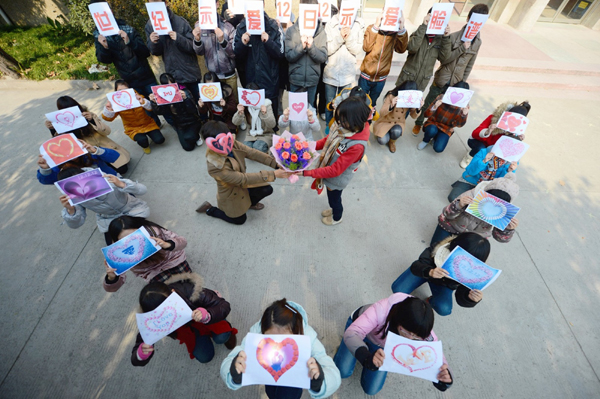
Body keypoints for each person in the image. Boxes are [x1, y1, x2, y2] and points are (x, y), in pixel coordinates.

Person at [333, 294, 453, 395]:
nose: (410, 338)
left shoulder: (422, 328)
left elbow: (436, 353)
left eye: (415, 336)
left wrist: (445, 376)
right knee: (342, 371)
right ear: (398, 319)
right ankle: (348, 351)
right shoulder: (381, 310)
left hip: (383, 346)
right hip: (362, 332)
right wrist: (366, 357)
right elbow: (353, 333)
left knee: (372, 390)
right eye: (406, 331)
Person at [220, 298, 341, 398]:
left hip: (293, 384)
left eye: (285, 339)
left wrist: (320, 381)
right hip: (269, 375)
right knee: (271, 392)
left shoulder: (307, 336)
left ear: (296, 332)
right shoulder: (256, 333)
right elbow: (236, 355)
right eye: (271, 339)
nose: (278, 346)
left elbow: (332, 371)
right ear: (263, 331)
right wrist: (233, 373)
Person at [195, 121, 291, 225]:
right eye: (222, 142)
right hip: (232, 193)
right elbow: (242, 179)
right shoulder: (214, 166)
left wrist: (276, 164)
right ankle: (210, 210)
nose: (227, 145)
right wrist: (274, 174)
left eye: (228, 140)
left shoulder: (231, 142)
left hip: (244, 185)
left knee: (266, 189)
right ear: (211, 143)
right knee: (240, 220)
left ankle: (250, 204)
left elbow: (252, 153)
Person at [413, 3, 488, 135]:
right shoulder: (452, 36)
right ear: (468, 19)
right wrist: (461, 48)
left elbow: (469, 64)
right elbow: (444, 59)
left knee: (446, 107)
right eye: (473, 20)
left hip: (456, 82)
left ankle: (433, 127)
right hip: (442, 78)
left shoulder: (478, 43)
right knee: (430, 101)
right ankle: (419, 122)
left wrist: (462, 83)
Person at [131, 273, 237, 366]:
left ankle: (228, 333)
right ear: (149, 314)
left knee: (222, 336)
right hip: (189, 332)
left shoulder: (190, 290)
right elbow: (140, 346)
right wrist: (140, 354)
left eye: (169, 306)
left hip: (207, 320)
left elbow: (224, 305)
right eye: (160, 315)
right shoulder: (149, 320)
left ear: (172, 292)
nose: (167, 313)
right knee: (205, 357)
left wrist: (207, 314)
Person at [298, 97, 370, 226]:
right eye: (339, 119)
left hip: (337, 179)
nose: (338, 123)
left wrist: (306, 173)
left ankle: (337, 217)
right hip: (328, 171)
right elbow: (327, 141)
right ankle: (333, 210)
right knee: (332, 198)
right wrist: (307, 146)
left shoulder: (356, 146)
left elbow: (335, 170)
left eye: (343, 120)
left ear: (354, 121)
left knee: (334, 199)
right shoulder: (344, 129)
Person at [391, 233, 489, 316]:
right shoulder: (441, 247)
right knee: (398, 289)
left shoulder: (473, 272)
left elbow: (460, 297)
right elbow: (416, 266)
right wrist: (430, 271)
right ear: (453, 245)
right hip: (426, 272)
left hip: (444, 285)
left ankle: (431, 301)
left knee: (444, 309)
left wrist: (470, 298)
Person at [57, 167, 149, 245]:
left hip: (131, 208)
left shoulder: (107, 180)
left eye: (82, 181)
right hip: (108, 218)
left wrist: (122, 184)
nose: (80, 186)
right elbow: (76, 224)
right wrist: (71, 211)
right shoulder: (76, 198)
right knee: (115, 245)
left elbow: (143, 190)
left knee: (145, 237)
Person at [44, 96, 130, 174]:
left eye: (72, 108)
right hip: (88, 155)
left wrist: (92, 120)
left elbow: (107, 131)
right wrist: (52, 129)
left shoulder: (87, 114)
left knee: (122, 169)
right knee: (104, 172)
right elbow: (61, 145)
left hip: (104, 147)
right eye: (66, 110)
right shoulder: (60, 123)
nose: (70, 113)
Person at [103, 216, 192, 291]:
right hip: (152, 273)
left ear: (140, 229)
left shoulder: (154, 231)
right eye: (125, 240)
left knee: (189, 283)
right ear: (117, 242)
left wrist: (168, 244)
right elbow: (112, 288)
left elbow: (183, 242)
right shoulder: (117, 252)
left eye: (134, 236)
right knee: (169, 293)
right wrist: (112, 278)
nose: (131, 241)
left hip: (173, 260)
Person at [91, 0, 157, 99]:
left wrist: (129, 41)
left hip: (146, 78)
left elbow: (145, 52)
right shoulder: (99, 35)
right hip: (129, 82)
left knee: (161, 106)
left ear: (111, 12)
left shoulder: (127, 29)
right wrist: (104, 47)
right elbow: (104, 60)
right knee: (143, 111)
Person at [431, 174, 520, 247]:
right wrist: (459, 205)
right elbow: (447, 214)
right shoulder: (471, 195)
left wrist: (507, 230)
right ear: (486, 192)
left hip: (473, 236)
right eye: (491, 198)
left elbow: (499, 238)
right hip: (451, 226)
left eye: (499, 202)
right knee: (435, 247)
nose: (493, 204)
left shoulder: (506, 212)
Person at [145, 0, 203, 101]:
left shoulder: (180, 21)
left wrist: (178, 38)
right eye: (151, 3)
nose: (154, 6)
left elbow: (193, 47)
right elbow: (155, 52)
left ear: (166, 3)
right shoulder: (150, 26)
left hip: (190, 73)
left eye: (157, 2)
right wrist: (153, 42)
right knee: (185, 106)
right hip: (174, 76)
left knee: (200, 103)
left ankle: (203, 117)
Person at [233, 1, 284, 117]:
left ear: (263, 5)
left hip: (270, 81)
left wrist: (268, 41)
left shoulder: (273, 26)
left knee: (271, 117)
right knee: (254, 117)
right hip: (251, 82)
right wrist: (243, 43)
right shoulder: (241, 27)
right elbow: (236, 55)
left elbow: (280, 53)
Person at [323, 1, 365, 128]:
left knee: (344, 104)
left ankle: (341, 127)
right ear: (340, 6)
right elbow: (327, 49)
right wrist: (340, 37)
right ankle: (328, 126)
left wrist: (349, 37)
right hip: (331, 72)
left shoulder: (359, 23)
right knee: (330, 103)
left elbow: (358, 50)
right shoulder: (331, 23)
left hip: (347, 74)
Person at [395, 9, 451, 97]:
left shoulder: (441, 40)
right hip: (406, 79)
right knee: (396, 105)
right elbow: (412, 48)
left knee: (410, 109)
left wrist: (446, 38)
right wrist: (424, 25)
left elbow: (445, 59)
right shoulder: (419, 32)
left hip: (421, 83)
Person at [358, 12, 408, 108]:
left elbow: (401, 49)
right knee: (360, 102)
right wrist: (376, 25)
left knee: (372, 103)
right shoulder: (372, 28)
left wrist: (401, 28)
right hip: (366, 76)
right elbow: (366, 47)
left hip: (381, 78)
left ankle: (368, 121)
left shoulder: (395, 33)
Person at [459, 101, 531, 168]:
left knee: (493, 158)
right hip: (478, 142)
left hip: (493, 149)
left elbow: (507, 150)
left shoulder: (516, 132)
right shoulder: (493, 118)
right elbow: (474, 134)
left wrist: (518, 140)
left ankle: (482, 160)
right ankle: (469, 156)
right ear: (507, 113)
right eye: (512, 119)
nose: (512, 122)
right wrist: (488, 131)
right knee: (481, 148)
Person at [285, 0, 328, 108]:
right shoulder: (291, 31)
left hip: (312, 81)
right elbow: (289, 56)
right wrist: (301, 46)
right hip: (295, 80)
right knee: (295, 114)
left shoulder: (321, 31)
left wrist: (311, 47)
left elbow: (323, 57)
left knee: (310, 114)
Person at [102, 80, 165, 154]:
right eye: (120, 90)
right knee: (142, 140)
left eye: (125, 89)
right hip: (132, 128)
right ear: (116, 91)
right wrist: (109, 109)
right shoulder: (115, 103)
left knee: (160, 140)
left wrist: (143, 102)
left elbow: (151, 109)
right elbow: (108, 118)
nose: (123, 92)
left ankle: (152, 135)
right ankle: (145, 146)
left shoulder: (137, 97)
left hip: (148, 124)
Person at [192, 2, 238, 99]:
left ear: (217, 4)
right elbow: (199, 52)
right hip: (213, 76)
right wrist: (197, 40)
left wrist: (222, 41)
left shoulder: (227, 26)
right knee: (217, 104)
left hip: (229, 75)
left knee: (233, 104)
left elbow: (234, 53)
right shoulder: (199, 26)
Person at [149, 73, 203, 151]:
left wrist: (186, 99)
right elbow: (160, 111)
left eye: (172, 83)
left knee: (189, 137)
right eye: (167, 84)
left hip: (192, 121)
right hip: (179, 124)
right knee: (188, 147)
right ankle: (191, 136)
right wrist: (154, 102)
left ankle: (197, 136)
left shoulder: (184, 91)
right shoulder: (163, 96)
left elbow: (193, 110)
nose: (170, 86)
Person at [448, 147, 518, 202]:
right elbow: (470, 171)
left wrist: (509, 171)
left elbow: (502, 185)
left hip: (488, 186)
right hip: (471, 181)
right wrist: (484, 161)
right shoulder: (484, 152)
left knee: (481, 208)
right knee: (454, 198)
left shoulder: (512, 162)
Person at [417, 81, 469, 153]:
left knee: (438, 148)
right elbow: (426, 114)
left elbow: (459, 125)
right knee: (431, 130)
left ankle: (436, 138)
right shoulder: (442, 97)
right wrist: (434, 107)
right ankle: (425, 140)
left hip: (446, 128)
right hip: (433, 123)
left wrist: (463, 115)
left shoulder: (464, 106)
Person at [371, 81, 423, 153]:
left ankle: (392, 142)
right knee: (382, 141)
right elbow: (382, 112)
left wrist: (418, 108)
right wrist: (391, 105)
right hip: (386, 121)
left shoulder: (412, 99)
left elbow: (413, 116)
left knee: (397, 131)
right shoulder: (391, 95)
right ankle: (385, 133)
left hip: (398, 122)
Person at [36, 142, 119, 185]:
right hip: (91, 190)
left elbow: (114, 156)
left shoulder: (88, 153)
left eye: (71, 147)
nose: (70, 152)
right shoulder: (59, 165)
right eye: (64, 150)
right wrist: (45, 169)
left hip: (112, 180)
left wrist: (95, 150)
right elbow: (47, 181)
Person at [232, 83, 277, 153]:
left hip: (265, 134)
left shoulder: (266, 104)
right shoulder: (245, 105)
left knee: (258, 148)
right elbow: (235, 122)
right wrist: (239, 113)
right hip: (250, 134)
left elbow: (272, 124)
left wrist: (265, 114)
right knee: (245, 149)